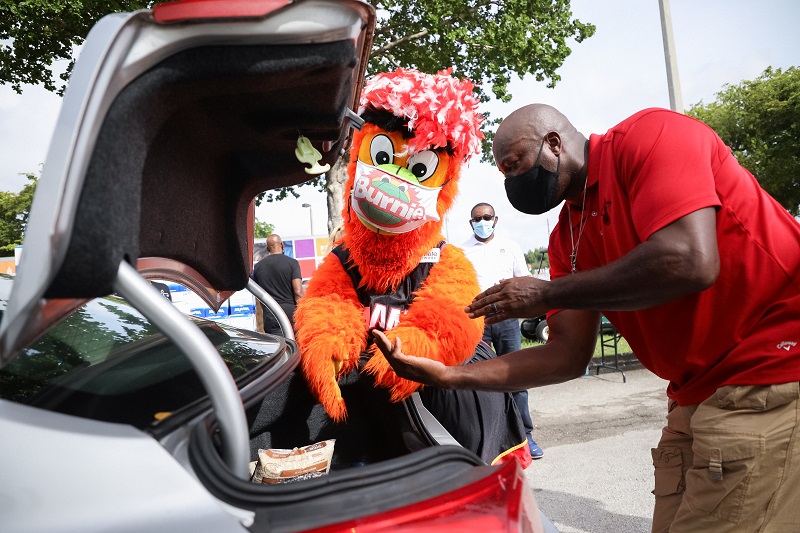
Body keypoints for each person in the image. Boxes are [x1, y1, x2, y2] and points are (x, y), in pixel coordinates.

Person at [373, 104, 800, 533]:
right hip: (694, 394)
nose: (512, 182)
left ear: (553, 143)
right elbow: (567, 354)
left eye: (514, 165)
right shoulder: (566, 235)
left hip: (770, 369)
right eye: (503, 173)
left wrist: (548, 293)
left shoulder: (651, 138)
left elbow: (690, 259)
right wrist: (449, 376)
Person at [460, 202, 543, 459]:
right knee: (481, 379)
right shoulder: (460, 251)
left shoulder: (511, 247)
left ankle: (525, 436)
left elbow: (523, 282)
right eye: (477, 218)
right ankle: (485, 441)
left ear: (495, 220)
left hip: (507, 320)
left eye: (487, 217)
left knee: (515, 377)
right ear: (470, 222)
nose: (482, 222)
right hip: (478, 323)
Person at [252, 234, 304, 335]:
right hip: (290, 314)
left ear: (267, 248)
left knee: (280, 349)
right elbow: (298, 293)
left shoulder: (258, 267)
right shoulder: (292, 263)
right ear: (282, 245)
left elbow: (258, 297)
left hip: (271, 315)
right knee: (296, 348)